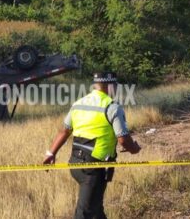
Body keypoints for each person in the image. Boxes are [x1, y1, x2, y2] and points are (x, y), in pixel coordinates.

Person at [43, 72, 141, 219]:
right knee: (85, 213)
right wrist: (134, 149)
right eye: (116, 86)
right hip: (94, 168)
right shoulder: (112, 107)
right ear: (111, 86)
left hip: (75, 164)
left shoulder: (78, 104)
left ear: (95, 86)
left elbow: (64, 131)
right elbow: (123, 139)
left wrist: (51, 153)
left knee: (96, 209)